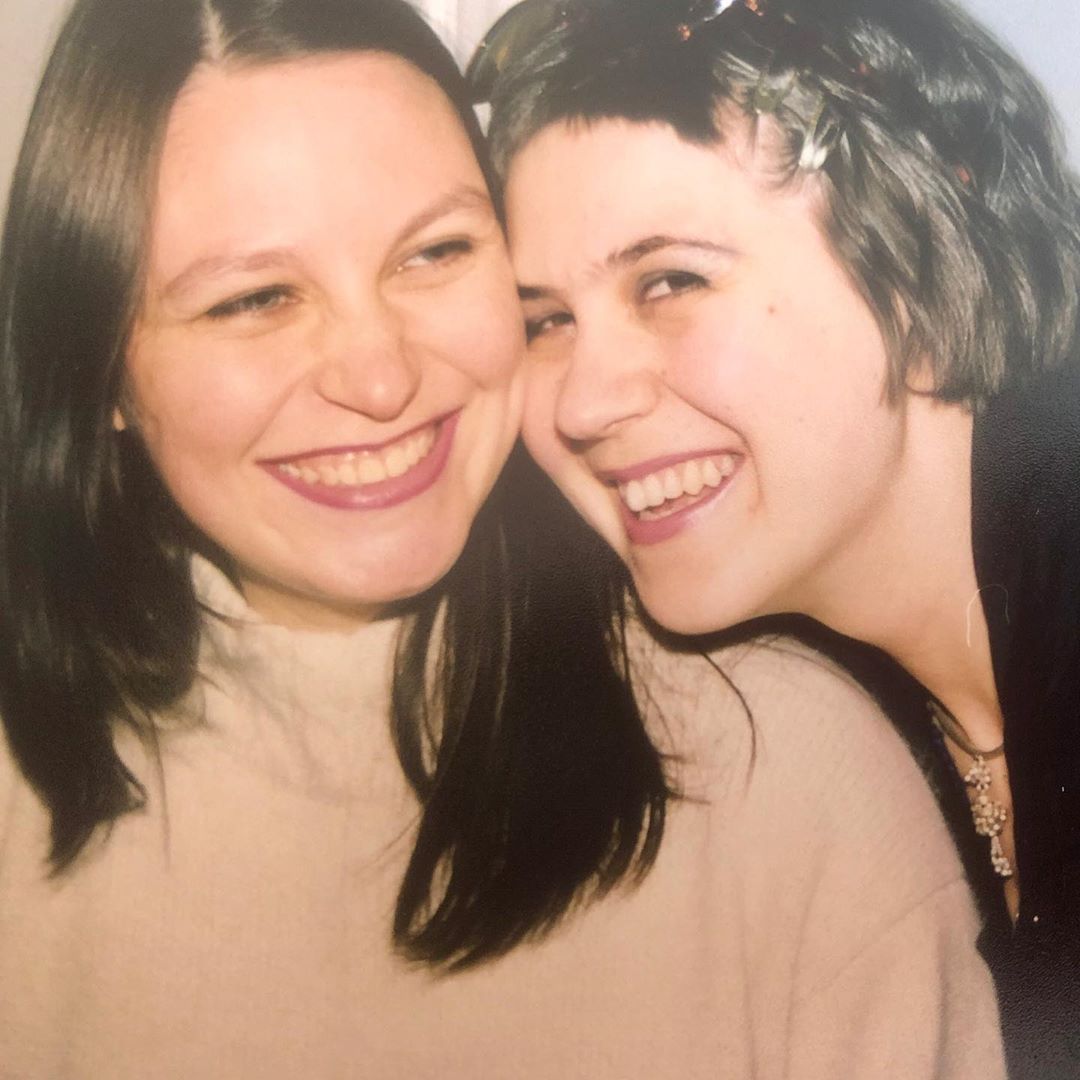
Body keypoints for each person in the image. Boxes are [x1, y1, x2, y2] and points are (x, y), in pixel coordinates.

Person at [0, 0, 1003, 1075]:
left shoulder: (785, 773)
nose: (379, 379)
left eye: (434, 252)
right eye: (254, 299)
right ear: (99, 364)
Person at [475, 0, 1080, 1074]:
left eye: (670, 282)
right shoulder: (803, 701)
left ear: (920, 256)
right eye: (547, 321)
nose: (582, 403)